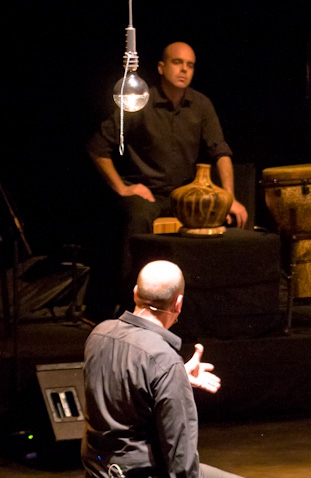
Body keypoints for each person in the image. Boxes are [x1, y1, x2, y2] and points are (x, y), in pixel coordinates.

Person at [80, 260, 281, 478]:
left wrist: (176, 380)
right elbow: (180, 450)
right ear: (179, 304)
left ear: (135, 295)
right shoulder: (162, 359)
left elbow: (125, 392)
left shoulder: (100, 334)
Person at [86, 42, 248, 318]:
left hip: (184, 195)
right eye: (177, 62)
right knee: (137, 218)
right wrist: (123, 187)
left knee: (227, 218)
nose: (184, 69)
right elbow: (98, 147)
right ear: (161, 68)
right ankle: (131, 306)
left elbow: (220, 151)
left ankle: (212, 309)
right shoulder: (140, 102)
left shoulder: (200, 105)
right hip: (147, 193)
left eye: (190, 65)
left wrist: (228, 197)